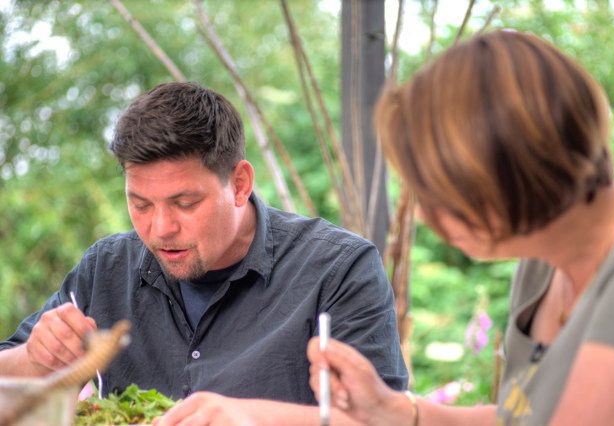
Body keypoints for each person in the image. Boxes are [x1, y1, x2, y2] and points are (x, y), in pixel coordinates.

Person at [0, 81, 408, 424]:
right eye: (141, 204)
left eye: (185, 203)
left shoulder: (339, 269)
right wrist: (34, 359)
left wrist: (247, 417)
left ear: (240, 184)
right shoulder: (106, 268)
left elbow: (382, 418)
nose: (161, 229)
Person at [307, 29, 614, 425]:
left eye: (439, 194)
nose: (425, 216)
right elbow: (522, 418)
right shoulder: (544, 260)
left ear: (516, 172)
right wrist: (397, 411)